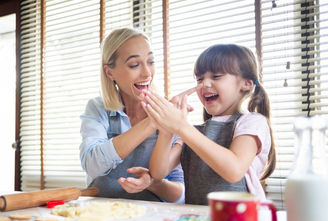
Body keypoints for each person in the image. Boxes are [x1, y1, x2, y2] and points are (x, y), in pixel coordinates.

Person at [143, 44, 276, 205]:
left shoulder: (252, 122)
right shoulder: (192, 132)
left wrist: (181, 127)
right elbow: (158, 172)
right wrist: (167, 129)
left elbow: (234, 170)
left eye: (216, 76)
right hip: (200, 220)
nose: (204, 84)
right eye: (199, 79)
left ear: (246, 84)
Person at [79, 28, 185, 203]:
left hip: (152, 219)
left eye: (151, 61)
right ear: (109, 72)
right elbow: (92, 165)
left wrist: (152, 182)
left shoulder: (169, 112)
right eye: (134, 65)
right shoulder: (98, 109)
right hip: (101, 215)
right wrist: (151, 123)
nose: (147, 73)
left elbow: (180, 195)